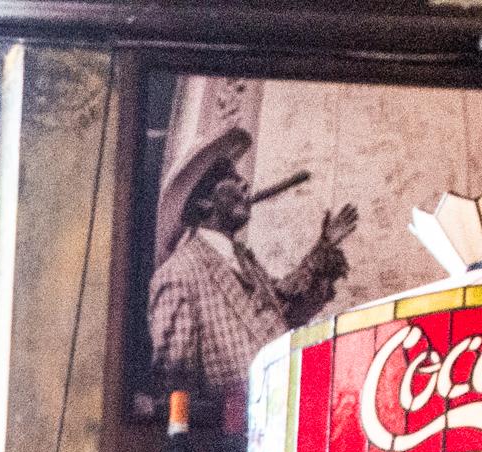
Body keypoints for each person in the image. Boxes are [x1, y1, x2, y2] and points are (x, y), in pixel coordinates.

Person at [145, 127, 359, 411]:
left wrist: (325, 247)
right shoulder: (179, 274)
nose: (244, 184)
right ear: (203, 201)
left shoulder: (243, 259)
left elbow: (284, 311)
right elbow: (173, 391)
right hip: (242, 438)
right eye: (230, 179)